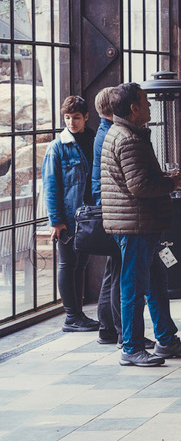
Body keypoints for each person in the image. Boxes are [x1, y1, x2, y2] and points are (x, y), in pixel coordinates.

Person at [101, 82, 181, 365]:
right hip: (136, 225)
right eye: (145, 102)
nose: (149, 106)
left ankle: (166, 340)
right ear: (134, 109)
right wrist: (168, 182)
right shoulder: (129, 139)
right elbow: (140, 186)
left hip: (140, 222)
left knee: (157, 282)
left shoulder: (127, 134)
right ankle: (131, 347)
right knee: (134, 286)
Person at [43, 95, 99, 332]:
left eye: (76, 117)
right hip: (69, 217)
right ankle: (71, 316)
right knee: (68, 264)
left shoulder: (95, 139)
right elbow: (51, 186)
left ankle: (79, 314)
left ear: (86, 117)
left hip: (90, 214)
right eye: (67, 118)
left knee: (82, 264)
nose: (71, 122)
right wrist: (56, 221)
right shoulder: (58, 147)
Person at [91, 87, 125, 346]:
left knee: (112, 271)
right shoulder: (110, 135)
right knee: (119, 273)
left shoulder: (103, 132)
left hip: (106, 207)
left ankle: (107, 327)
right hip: (114, 210)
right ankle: (118, 327)